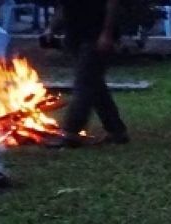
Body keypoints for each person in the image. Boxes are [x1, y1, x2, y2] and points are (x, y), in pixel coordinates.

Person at [41, 0, 129, 147]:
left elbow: (112, 4)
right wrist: (51, 29)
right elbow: (64, 6)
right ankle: (117, 132)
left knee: (84, 84)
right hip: (76, 36)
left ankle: (71, 133)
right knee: (95, 86)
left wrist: (107, 34)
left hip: (96, 36)